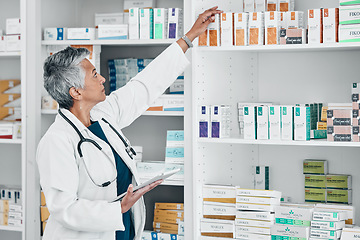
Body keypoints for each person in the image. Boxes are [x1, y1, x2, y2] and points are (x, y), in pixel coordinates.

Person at [36, 6, 222, 240]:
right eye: (94, 75)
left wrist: (189, 37)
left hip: (121, 232)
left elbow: (144, 85)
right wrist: (119, 208)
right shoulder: (57, 141)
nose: (102, 78)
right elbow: (63, 209)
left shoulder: (103, 115)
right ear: (76, 92)